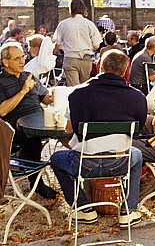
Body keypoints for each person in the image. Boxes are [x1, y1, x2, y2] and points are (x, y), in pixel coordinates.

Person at [50, 50, 146, 227]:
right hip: (119, 162)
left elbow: (69, 129)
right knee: (137, 155)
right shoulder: (137, 97)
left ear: (100, 67)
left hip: (84, 164)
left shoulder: (78, 94)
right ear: (125, 71)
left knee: (56, 159)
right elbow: (137, 131)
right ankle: (129, 210)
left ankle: (84, 209)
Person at [0, 43, 57, 199]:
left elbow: (46, 99)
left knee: (66, 131)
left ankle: (78, 170)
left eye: (23, 57)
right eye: (17, 58)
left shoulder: (28, 76)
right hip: (13, 127)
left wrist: (56, 95)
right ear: (5, 62)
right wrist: (23, 91)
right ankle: (36, 184)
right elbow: (2, 110)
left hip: (39, 120)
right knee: (32, 139)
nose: (22, 61)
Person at [53, 0, 102, 86]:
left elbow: (58, 44)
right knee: (84, 87)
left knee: (73, 88)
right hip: (86, 59)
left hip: (70, 58)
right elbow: (97, 45)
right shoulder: (89, 24)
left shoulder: (63, 24)